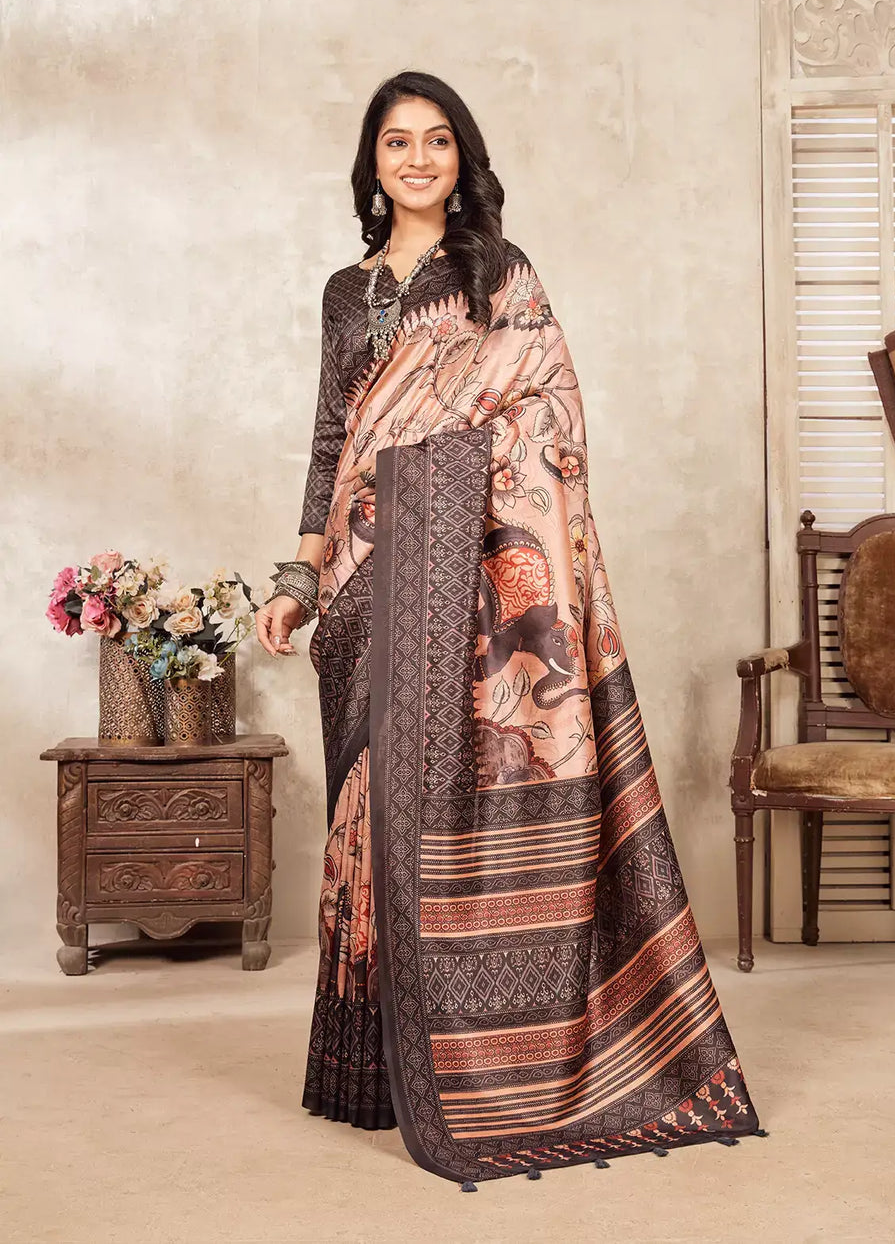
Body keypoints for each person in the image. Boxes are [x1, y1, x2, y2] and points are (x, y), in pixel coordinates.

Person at [255, 71, 759, 1187]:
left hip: (465, 575)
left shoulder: (498, 272)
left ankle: (472, 1059)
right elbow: (332, 438)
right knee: (367, 807)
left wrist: (446, 474)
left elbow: (553, 412)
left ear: (461, 157)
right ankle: (370, 1068)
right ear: (372, 163)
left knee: (427, 799)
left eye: (437, 140)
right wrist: (299, 575)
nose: (418, 158)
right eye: (398, 141)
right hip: (364, 576)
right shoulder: (344, 292)